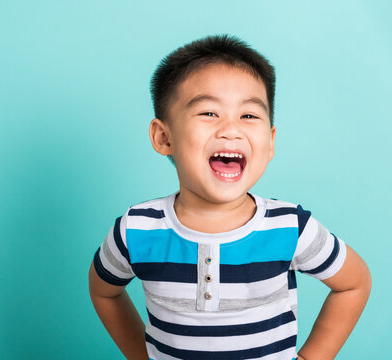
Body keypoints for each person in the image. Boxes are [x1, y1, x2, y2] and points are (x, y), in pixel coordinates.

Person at [88, 34, 371, 360]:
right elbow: (104, 292)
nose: (231, 129)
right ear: (164, 137)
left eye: (249, 116)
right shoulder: (135, 231)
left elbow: (354, 283)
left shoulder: (291, 227)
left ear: (270, 141)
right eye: (209, 113)